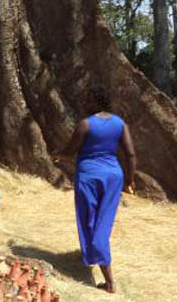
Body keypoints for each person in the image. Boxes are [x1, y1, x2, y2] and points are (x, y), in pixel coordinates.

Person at [51, 86, 136, 294]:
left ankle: (109, 281)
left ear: (97, 102)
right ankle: (92, 257)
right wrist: (130, 180)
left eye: (88, 99)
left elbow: (71, 149)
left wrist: (59, 156)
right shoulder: (119, 124)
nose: (85, 103)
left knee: (90, 223)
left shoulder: (86, 124)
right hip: (114, 177)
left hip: (89, 177)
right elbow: (131, 154)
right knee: (103, 221)